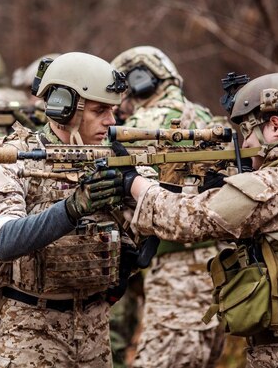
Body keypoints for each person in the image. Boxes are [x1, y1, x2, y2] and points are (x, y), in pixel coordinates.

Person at [117, 72, 278, 367]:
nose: (245, 142)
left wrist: (134, 182)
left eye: (247, 132)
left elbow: (186, 219)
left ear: (275, 126)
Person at [0, 52, 136, 367]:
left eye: (113, 111)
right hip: (32, 331)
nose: (112, 121)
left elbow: (158, 224)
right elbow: (4, 242)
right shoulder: (13, 159)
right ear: (64, 108)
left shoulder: (113, 159)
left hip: (95, 330)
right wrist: (71, 209)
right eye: (101, 111)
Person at [110, 46, 227, 368]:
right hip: (215, 264)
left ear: (139, 81)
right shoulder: (203, 117)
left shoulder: (140, 125)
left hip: (176, 267)